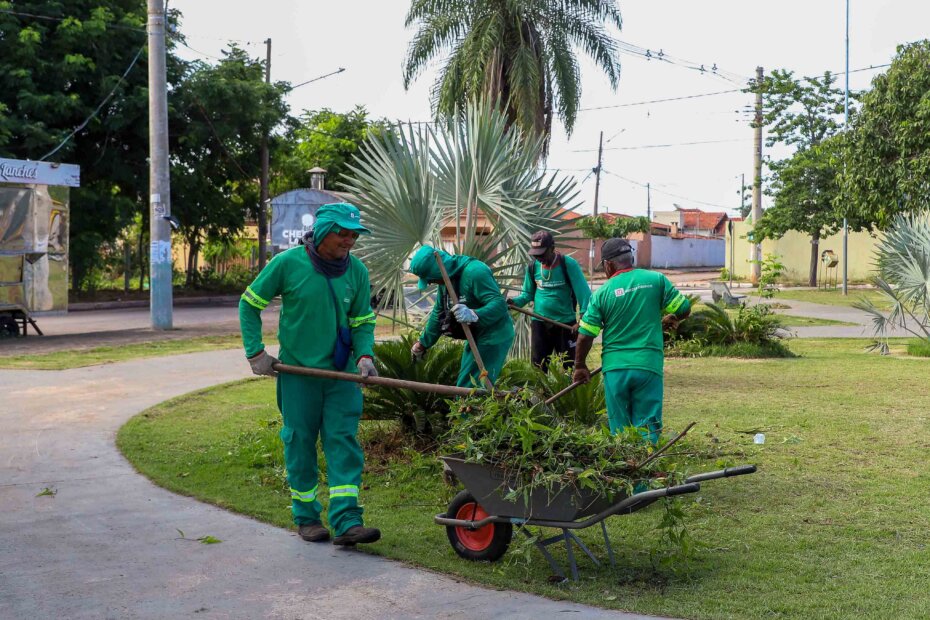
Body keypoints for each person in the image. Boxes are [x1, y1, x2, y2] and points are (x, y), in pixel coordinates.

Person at [239, 202, 381, 546]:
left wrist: (364, 355)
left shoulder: (357, 271)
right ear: (321, 233)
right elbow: (249, 303)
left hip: (342, 377)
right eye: (342, 234)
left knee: (343, 442)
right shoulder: (288, 264)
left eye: (353, 235)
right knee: (299, 442)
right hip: (298, 375)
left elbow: (362, 320)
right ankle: (306, 518)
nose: (349, 241)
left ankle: (347, 520)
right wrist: (255, 352)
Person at [572, 238, 691, 443]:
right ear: (631, 258)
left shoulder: (601, 294)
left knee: (619, 427)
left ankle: (624, 465)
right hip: (648, 365)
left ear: (608, 265)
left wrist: (580, 366)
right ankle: (646, 464)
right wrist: (672, 318)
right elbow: (683, 308)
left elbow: (585, 336)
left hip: (615, 369)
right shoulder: (656, 280)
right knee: (648, 424)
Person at [408, 245, 514, 388]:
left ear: (437, 271)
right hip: (476, 334)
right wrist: (423, 343)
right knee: (467, 384)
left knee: (472, 388)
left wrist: (475, 314)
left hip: (494, 335)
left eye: (430, 279)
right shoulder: (446, 279)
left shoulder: (475, 272)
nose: (430, 283)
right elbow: (438, 313)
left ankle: (470, 410)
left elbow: (499, 305)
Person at [508, 230, 591, 371]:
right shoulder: (533, 267)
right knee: (538, 365)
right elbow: (527, 295)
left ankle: (571, 392)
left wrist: (581, 322)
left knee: (570, 365)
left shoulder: (568, 264)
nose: (538, 257)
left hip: (565, 324)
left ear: (552, 248)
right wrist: (513, 303)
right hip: (539, 322)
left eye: (541, 253)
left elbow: (585, 295)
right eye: (535, 254)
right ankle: (540, 393)